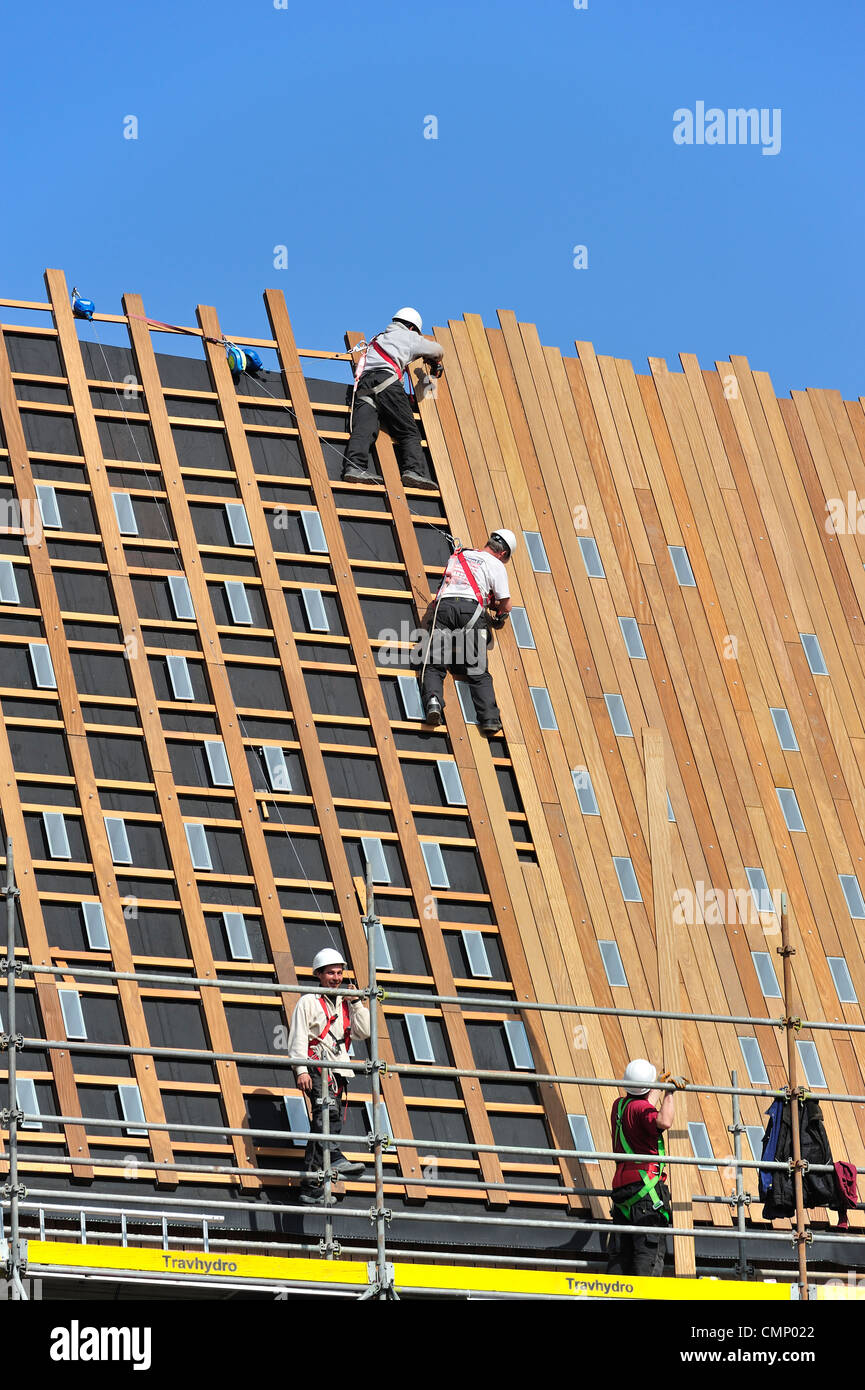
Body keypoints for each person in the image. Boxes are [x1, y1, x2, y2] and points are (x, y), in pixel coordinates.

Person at [287, 947, 370, 1206]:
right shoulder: (309, 1001)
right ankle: (333, 1156)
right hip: (317, 1065)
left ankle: (312, 1185)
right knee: (327, 1114)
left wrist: (356, 1002)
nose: (336, 977)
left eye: (339, 972)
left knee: (326, 1123)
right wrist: (300, 1070)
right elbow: (298, 1036)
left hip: (338, 1069)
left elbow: (366, 1031)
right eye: (331, 973)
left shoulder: (344, 1004)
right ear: (319, 975)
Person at [420, 529, 515, 738]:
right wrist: (499, 613)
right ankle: (489, 719)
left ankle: (433, 702)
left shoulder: (459, 555)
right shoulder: (496, 564)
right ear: (503, 554)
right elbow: (506, 604)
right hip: (471, 612)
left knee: (434, 663)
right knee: (478, 670)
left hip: (444, 608)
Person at [342, 307, 443, 490]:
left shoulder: (379, 338)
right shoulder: (409, 337)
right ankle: (414, 471)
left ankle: (354, 467)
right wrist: (435, 361)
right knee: (408, 431)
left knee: (364, 429)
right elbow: (437, 349)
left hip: (365, 386)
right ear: (412, 327)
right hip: (387, 382)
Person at [605, 1058, 675, 1277]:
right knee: (648, 1253)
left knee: (621, 1254)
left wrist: (657, 1085)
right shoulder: (641, 1110)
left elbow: (641, 1103)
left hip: (623, 1190)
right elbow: (664, 1121)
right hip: (646, 1190)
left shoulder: (620, 1106)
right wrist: (670, 1093)